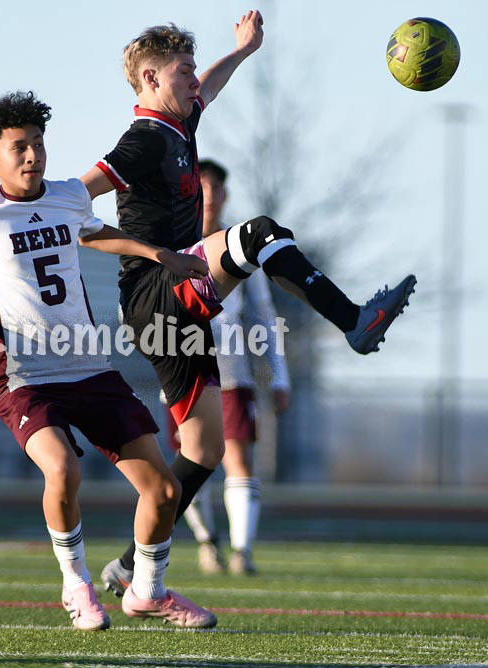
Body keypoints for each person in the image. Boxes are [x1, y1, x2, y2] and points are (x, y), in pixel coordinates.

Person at [78, 13, 416, 595]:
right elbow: (78, 209)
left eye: (193, 71)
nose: (194, 82)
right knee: (260, 234)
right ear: (151, 78)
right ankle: (354, 320)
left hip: (172, 315)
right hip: (155, 293)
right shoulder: (144, 140)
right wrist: (157, 253)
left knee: (204, 451)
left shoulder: (179, 122)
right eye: (183, 71)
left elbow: (209, 86)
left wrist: (243, 50)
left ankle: (131, 566)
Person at [0, 91, 217, 630]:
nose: (32, 156)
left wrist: (160, 254)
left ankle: (147, 591)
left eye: (38, 144)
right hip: (26, 378)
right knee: (63, 469)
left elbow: (95, 234)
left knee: (164, 490)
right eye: (18, 147)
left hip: (90, 369)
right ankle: (77, 585)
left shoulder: (69, 196)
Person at [168, 159, 291, 576]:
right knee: (190, 459)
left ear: (225, 195)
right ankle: (208, 543)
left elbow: (263, 314)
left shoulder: (240, 247)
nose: (210, 195)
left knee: (238, 457)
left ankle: (242, 552)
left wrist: (279, 375)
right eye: (201, 186)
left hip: (231, 372)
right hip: (183, 370)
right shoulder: (171, 244)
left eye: (216, 187)